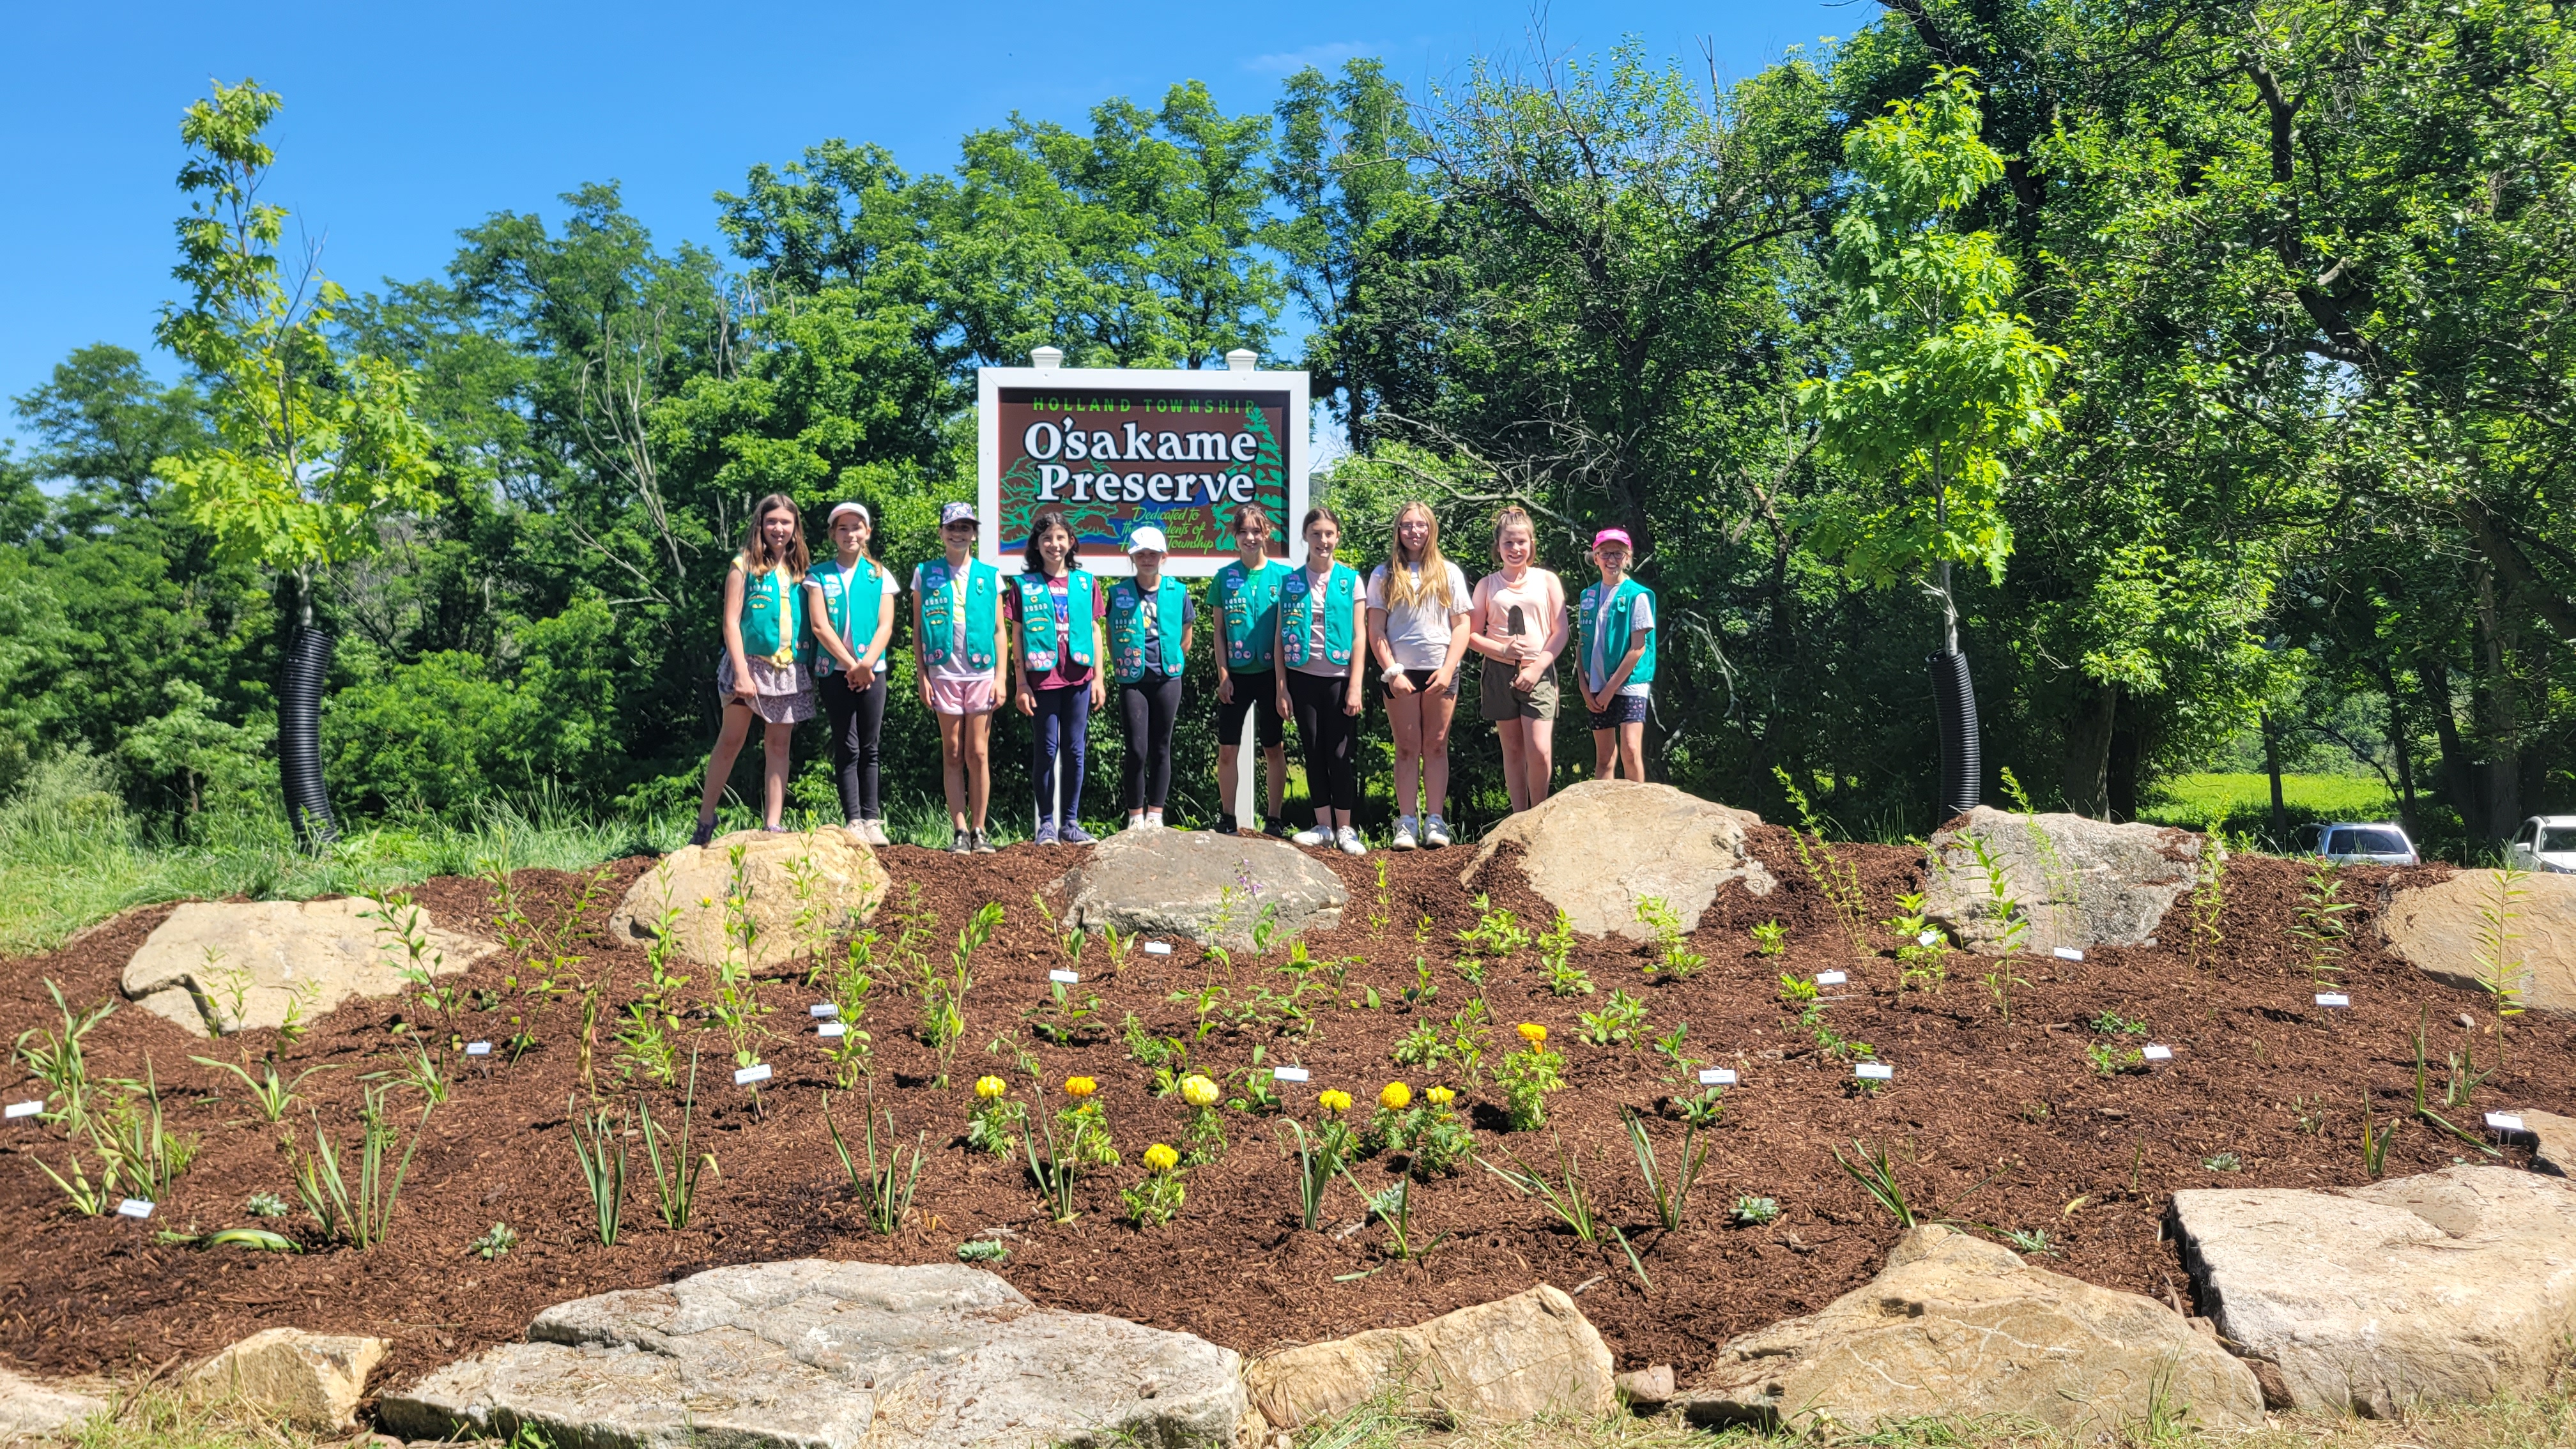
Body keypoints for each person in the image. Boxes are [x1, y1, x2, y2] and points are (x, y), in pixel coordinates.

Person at [690, 493, 813, 846]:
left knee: (779, 743)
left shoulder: (801, 570)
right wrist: (742, 672)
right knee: (731, 740)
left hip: (787, 666)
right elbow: (730, 622)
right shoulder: (742, 564)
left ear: (795, 528)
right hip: (748, 666)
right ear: (760, 524)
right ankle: (705, 819)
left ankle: (772, 823)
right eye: (772, 521)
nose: (779, 528)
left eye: (785, 522)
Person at [1366, 501, 1471, 849]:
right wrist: (1392, 672)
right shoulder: (1384, 574)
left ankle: (1436, 821)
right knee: (1407, 748)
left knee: (1437, 746)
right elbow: (1376, 629)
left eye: (1421, 525)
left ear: (1431, 529)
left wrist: (1449, 668)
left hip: (1442, 669)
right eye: (1408, 525)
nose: (1415, 531)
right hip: (1401, 672)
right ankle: (1407, 821)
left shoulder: (1449, 572)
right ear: (1398, 530)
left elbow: (1462, 626)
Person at [913, 500, 1008, 854]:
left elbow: (1000, 629)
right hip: (943, 672)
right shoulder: (925, 572)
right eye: (952, 527)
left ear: (974, 534)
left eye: (965, 527)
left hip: (982, 673)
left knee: (978, 753)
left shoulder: (989, 575)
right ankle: (959, 830)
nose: (958, 533)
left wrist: (1002, 677)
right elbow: (918, 630)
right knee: (952, 752)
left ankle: (981, 829)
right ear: (941, 532)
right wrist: (922, 676)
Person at [1008, 509, 1107, 847]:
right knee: (1047, 749)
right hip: (1043, 678)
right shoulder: (1023, 586)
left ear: (1071, 542)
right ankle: (1046, 824)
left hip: (1079, 676)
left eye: (1060, 537)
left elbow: (1095, 629)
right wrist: (1020, 683)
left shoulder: (1086, 582)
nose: (1054, 544)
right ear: (1036, 544)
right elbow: (1017, 636)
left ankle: (1071, 822)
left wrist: (1099, 678)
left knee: (1076, 751)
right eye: (1047, 538)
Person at [804, 502, 898, 845]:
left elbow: (886, 624)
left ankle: (873, 820)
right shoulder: (818, 575)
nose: (850, 534)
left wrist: (866, 664)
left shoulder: (879, 574)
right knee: (847, 745)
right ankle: (853, 819)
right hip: (834, 671)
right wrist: (850, 663)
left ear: (867, 532)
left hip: (874, 672)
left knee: (870, 747)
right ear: (832, 534)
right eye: (842, 528)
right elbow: (819, 625)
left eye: (857, 527)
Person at [1275, 507, 1368, 855]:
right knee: (1313, 752)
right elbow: (1280, 637)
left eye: (1329, 534)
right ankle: (1323, 826)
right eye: (1316, 534)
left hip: (1340, 679)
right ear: (1306, 537)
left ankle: (1346, 829)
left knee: (1340, 753)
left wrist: (1356, 684)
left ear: (1337, 537)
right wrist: (1281, 687)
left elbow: (1360, 635)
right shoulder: (1292, 583)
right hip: (1302, 677)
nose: (1323, 540)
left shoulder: (1350, 580)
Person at [1469, 506, 1569, 814]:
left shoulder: (1547, 580)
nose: (1515, 549)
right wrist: (1501, 651)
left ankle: (1538, 814)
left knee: (1539, 749)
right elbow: (1471, 635)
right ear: (1498, 547)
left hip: (1538, 670)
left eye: (1521, 542)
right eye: (1508, 543)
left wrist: (1538, 667)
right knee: (1513, 750)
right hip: (1499, 672)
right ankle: (1518, 816)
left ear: (1531, 544)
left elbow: (1561, 630)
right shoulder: (1487, 584)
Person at [1208, 503, 1290, 836]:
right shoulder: (1224, 578)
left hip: (1271, 675)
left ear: (1266, 534)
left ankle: (1274, 819)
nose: (1250, 537)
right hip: (1237, 676)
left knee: (1274, 746)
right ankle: (1228, 817)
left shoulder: (1284, 577)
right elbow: (1219, 631)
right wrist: (1223, 675)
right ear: (1235, 536)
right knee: (1228, 749)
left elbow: (1289, 631)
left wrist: (1284, 685)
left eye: (1256, 531)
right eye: (1243, 532)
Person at [1108, 525, 1196, 831]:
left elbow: (1187, 635)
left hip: (1168, 677)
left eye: (1153, 554)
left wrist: (1173, 658)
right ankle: (1135, 815)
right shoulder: (1118, 593)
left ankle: (1155, 813)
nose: (1147, 559)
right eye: (1141, 554)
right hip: (1133, 678)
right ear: (1132, 557)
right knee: (1136, 748)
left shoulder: (1178, 591)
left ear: (1164, 557)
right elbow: (1110, 635)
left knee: (1161, 745)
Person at [1575, 526, 1657, 783]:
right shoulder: (1587, 596)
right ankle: (1604, 817)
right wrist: (1584, 688)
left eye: (1618, 554)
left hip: (1630, 683)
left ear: (1628, 557)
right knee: (1604, 757)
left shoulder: (1638, 595)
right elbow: (1582, 643)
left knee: (1631, 751)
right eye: (1605, 553)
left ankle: (1638, 812)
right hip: (1596, 682)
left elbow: (1638, 647)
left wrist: (1611, 689)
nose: (1612, 560)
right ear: (1595, 557)